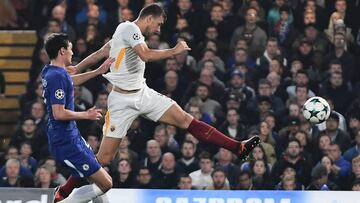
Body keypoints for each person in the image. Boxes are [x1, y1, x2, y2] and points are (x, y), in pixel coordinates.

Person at [73, 3, 260, 170]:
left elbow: (103, 51)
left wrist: (77, 67)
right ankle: (63, 191)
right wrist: (173, 51)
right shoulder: (129, 28)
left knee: (186, 120)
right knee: (104, 158)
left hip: (142, 93)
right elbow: (145, 55)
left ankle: (238, 147)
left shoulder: (125, 35)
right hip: (121, 101)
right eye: (158, 24)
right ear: (149, 18)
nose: (158, 29)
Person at [41, 33, 113, 203]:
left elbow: (71, 81)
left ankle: (62, 194)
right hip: (65, 140)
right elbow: (59, 113)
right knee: (106, 183)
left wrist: (98, 71)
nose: (72, 53)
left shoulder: (52, 71)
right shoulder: (56, 76)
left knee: (95, 179)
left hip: (71, 135)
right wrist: (85, 114)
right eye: (71, 49)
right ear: (62, 51)